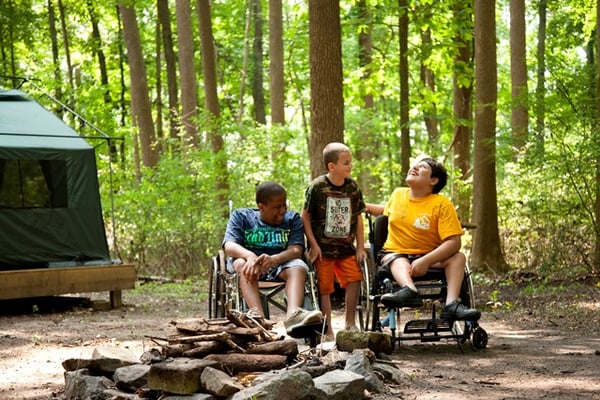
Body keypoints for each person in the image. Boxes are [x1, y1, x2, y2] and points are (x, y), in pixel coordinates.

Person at [366, 157, 480, 320]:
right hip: (397, 254)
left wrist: (426, 260)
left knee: (458, 257)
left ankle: (451, 304)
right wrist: (359, 204)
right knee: (397, 260)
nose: (415, 167)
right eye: (415, 165)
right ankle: (409, 291)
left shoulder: (442, 204)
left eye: (423, 167)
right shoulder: (398, 194)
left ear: (433, 180)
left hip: (429, 256)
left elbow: (454, 242)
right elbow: (385, 211)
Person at [222, 182, 323, 334]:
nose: (282, 211)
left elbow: (296, 250)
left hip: (281, 264)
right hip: (249, 265)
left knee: (299, 265)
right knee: (242, 264)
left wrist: (274, 259)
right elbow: (229, 245)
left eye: (284, 206)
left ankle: (293, 315)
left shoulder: (292, 219)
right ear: (261, 207)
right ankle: (259, 319)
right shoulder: (241, 216)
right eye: (277, 207)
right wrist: (251, 256)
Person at [302, 142, 366, 339]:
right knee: (325, 287)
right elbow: (305, 216)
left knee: (355, 278)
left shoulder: (353, 187)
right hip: (324, 248)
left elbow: (358, 218)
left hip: (346, 247)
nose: (350, 166)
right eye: (346, 163)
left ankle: (349, 323)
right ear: (332, 166)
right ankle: (327, 328)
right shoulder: (317, 187)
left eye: (350, 162)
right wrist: (313, 244)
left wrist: (361, 247)